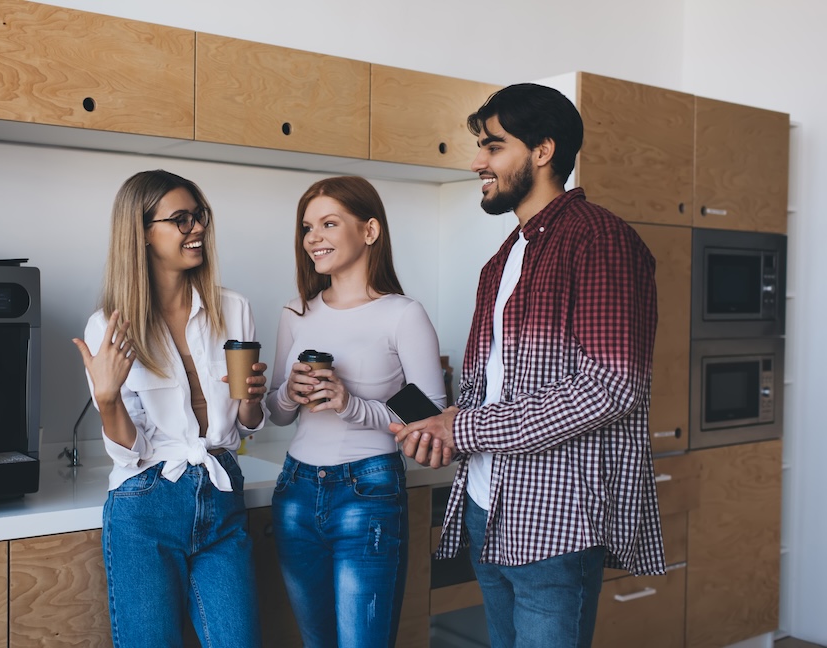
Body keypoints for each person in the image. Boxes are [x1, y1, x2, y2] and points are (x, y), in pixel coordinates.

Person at [391, 84, 666, 647]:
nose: (477, 162)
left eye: (493, 147)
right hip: (486, 502)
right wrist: (446, 422)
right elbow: (499, 383)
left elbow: (611, 385)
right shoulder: (505, 258)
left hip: (556, 517)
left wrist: (461, 426)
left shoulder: (600, 239)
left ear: (543, 151)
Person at [72, 169, 266, 647]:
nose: (196, 228)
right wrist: (107, 399)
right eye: (180, 219)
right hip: (147, 505)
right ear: (140, 233)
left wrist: (253, 400)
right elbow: (129, 453)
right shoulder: (110, 325)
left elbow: (246, 425)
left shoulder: (233, 308)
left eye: (198, 216)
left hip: (221, 494)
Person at [267, 175, 446, 648]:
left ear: (370, 231)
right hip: (296, 490)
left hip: (367, 492)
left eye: (329, 223)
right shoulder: (296, 313)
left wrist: (351, 405)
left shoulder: (400, 314)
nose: (314, 238)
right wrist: (290, 391)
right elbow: (278, 414)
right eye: (308, 227)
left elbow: (431, 414)